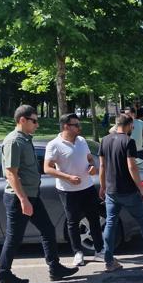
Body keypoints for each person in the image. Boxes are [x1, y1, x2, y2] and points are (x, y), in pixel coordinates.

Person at [0, 105, 78, 283]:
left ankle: (55, 268)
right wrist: (23, 200)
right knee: (14, 237)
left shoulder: (25, 139)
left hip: (32, 195)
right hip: (19, 198)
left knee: (48, 230)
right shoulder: (14, 141)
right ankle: (3, 274)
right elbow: (11, 173)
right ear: (22, 120)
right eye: (34, 121)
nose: (37, 124)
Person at [98, 115, 143, 272]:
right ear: (129, 125)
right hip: (128, 191)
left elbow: (102, 166)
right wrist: (141, 189)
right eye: (132, 126)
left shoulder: (104, 140)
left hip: (111, 190)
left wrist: (103, 186)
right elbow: (132, 167)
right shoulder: (128, 141)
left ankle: (109, 261)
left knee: (110, 224)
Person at [44, 113, 104, 267]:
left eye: (79, 124)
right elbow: (47, 168)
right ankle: (78, 252)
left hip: (87, 187)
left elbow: (89, 159)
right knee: (73, 222)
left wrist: (92, 167)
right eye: (76, 125)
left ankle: (100, 250)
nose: (79, 127)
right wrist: (68, 177)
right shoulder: (54, 145)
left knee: (94, 219)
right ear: (66, 126)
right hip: (67, 190)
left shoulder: (82, 140)